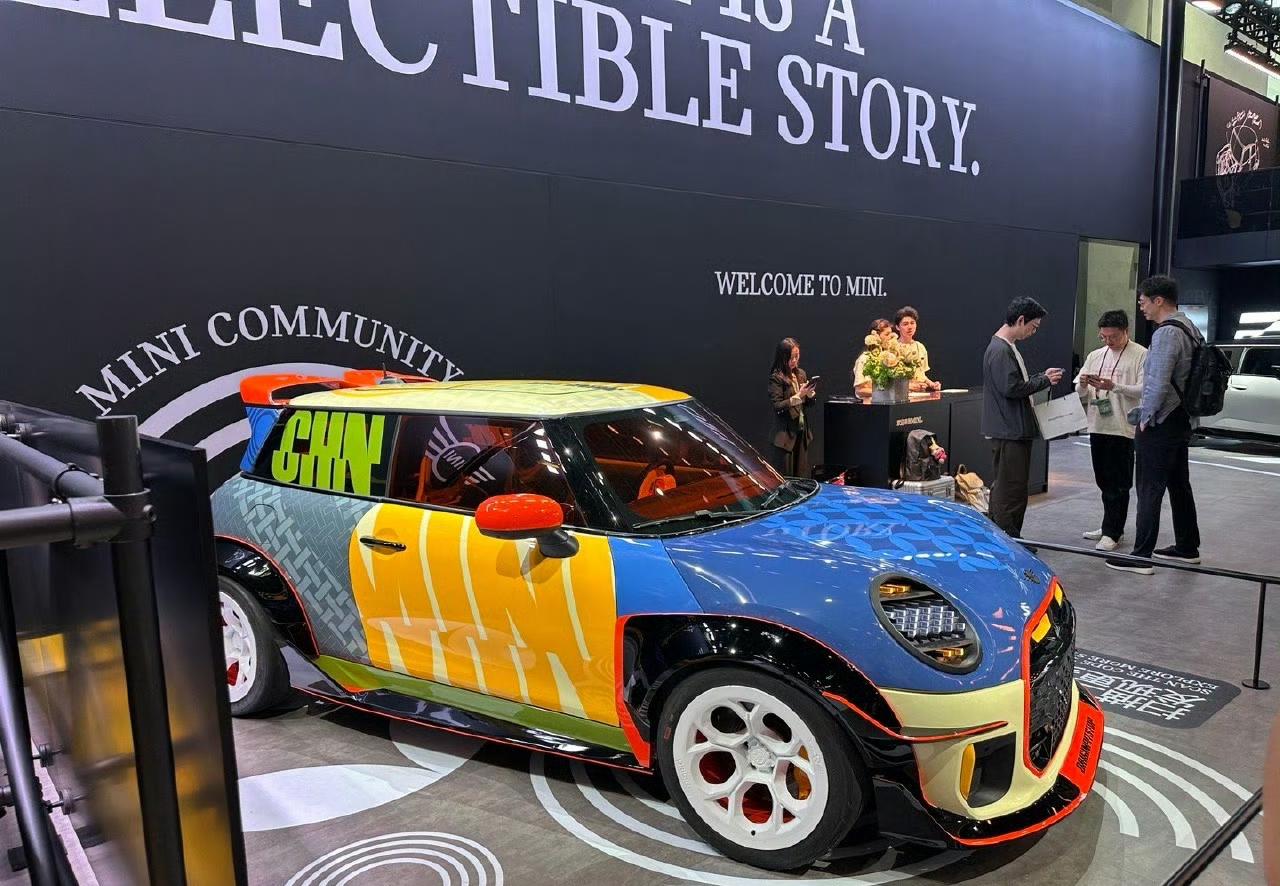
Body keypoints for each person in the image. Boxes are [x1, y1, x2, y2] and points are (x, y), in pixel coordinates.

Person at [1107, 275, 1203, 574]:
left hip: (1162, 420)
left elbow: (1157, 382)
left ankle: (1141, 556)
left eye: (1144, 301)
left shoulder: (1166, 333)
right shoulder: (1190, 327)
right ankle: (1187, 547)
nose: (1141, 307)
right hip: (1182, 417)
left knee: (1149, 488)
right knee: (1178, 484)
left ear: (1158, 300)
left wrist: (1146, 418)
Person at [981, 297, 1064, 538]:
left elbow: (1014, 384)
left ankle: (1005, 536)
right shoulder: (1000, 350)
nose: (1033, 332)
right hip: (1009, 429)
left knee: (1008, 486)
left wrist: (1040, 377)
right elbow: (1011, 388)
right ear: (1020, 320)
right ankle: (1010, 538)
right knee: (1011, 488)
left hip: (1010, 428)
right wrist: (1044, 380)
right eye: (1033, 327)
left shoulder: (1004, 347)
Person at [1074, 310, 1147, 552]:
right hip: (1098, 424)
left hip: (1123, 427)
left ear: (1126, 331)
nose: (1108, 341)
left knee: (1119, 483)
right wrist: (1082, 383)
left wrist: (1114, 386)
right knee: (1103, 480)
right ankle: (1109, 525)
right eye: (1103, 337)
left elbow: (1143, 389)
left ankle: (1113, 531)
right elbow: (1079, 391)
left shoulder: (1141, 354)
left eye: (1113, 337)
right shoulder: (1096, 355)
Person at [768, 337, 816, 476]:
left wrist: (809, 395)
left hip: (801, 432)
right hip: (785, 436)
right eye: (791, 357)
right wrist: (799, 396)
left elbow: (809, 404)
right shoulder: (776, 377)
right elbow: (778, 406)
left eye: (797, 356)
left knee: (801, 476)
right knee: (786, 477)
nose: (795, 360)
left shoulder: (801, 374)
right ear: (783, 357)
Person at [894, 306, 942, 392]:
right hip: (901, 394)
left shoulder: (920, 347)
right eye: (905, 324)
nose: (910, 327)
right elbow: (889, 378)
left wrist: (932, 384)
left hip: (919, 393)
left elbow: (921, 374)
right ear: (897, 327)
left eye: (912, 323)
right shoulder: (893, 347)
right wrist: (908, 386)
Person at [851, 319, 896, 397]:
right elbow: (860, 390)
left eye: (891, 334)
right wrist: (886, 393)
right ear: (876, 336)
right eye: (887, 334)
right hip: (871, 403)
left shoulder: (890, 358)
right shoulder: (864, 359)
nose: (890, 337)